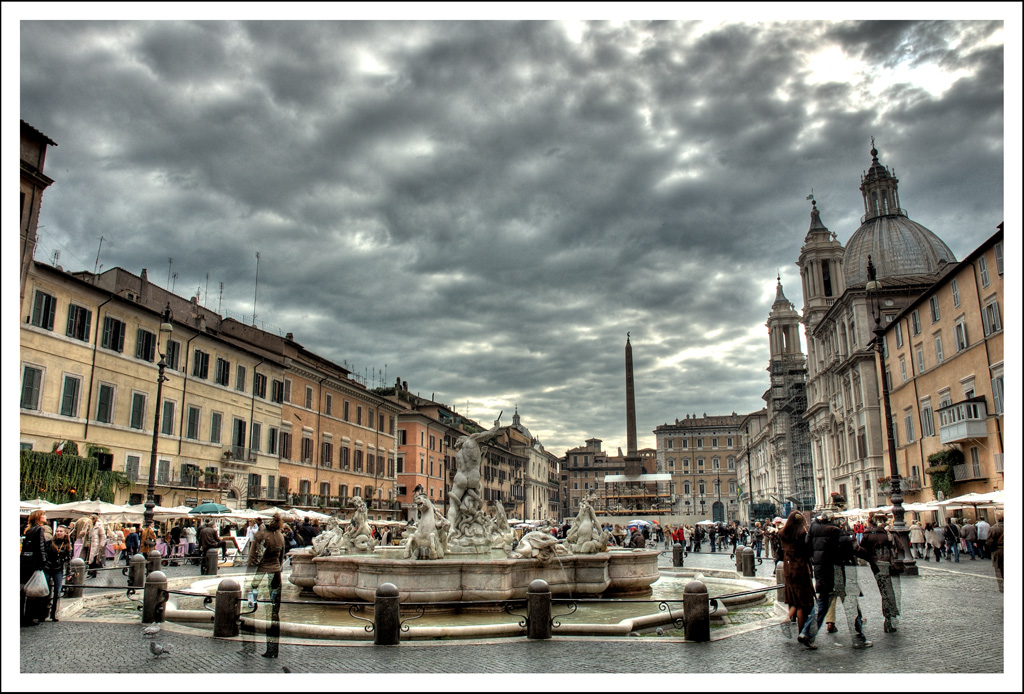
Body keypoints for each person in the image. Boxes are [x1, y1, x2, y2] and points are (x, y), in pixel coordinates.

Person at [447, 417, 502, 534]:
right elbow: (488, 434)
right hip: (474, 479)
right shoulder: (472, 439)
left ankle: (451, 528)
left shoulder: (459, 453)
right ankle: (472, 514)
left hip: (461, 478)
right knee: (478, 492)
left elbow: (462, 467)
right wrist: (496, 427)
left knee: (453, 505)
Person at [242, 513, 286, 658]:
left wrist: (250, 581)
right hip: (276, 575)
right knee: (274, 613)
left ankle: (248, 645)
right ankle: (273, 649)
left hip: (261, 574)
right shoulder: (280, 536)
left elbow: (255, 557)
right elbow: (281, 558)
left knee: (250, 608)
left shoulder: (261, 536)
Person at [857, 512, 901, 633]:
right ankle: (889, 618)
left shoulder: (867, 534)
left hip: (876, 565)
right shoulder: (888, 533)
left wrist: (871, 559)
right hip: (889, 564)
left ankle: (889, 617)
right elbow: (900, 547)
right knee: (889, 591)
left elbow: (862, 550)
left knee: (885, 590)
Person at [778, 511, 815, 641]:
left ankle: (787, 618)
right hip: (800, 568)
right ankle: (802, 632)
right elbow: (808, 551)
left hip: (788, 568)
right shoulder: (801, 534)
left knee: (794, 599)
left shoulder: (782, 533)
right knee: (802, 603)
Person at [21, 509, 52, 626]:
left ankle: (24, 616)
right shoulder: (39, 529)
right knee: (33, 591)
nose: (45, 517)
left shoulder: (28, 530)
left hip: (26, 562)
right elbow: (40, 547)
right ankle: (29, 616)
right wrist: (43, 562)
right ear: (39, 517)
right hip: (34, 563)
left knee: (25, 590)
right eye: (43, 515)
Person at [43, 524, 73, 621]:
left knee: (57, 591)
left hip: (58, 569)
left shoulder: (67, 544)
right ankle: (43, 613)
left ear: (65, 533)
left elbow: (68, 560)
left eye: (61, 531)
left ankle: (53, 613)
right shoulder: (49, 542)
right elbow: (44, 554)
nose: (58, 533)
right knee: (45, 591)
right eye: (57, 531)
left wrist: (69, 572)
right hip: (48, 567)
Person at [986, 516, 1003, 593]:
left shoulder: (993, 528)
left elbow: (989, 542)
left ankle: (1002, 587)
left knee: (999, 569)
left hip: (998, 551)